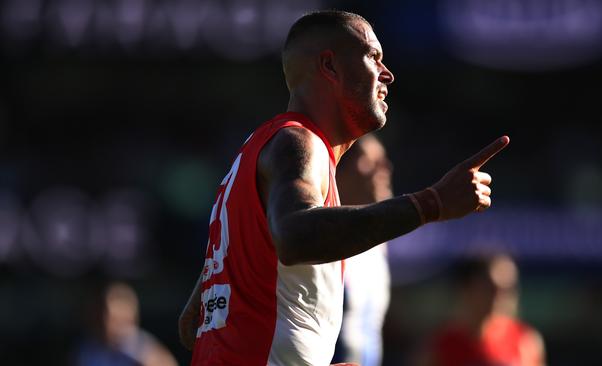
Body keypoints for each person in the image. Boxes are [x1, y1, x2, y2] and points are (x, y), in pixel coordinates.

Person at [178, 10, 510, 366]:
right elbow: (296, 237)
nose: (388, 74)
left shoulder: (257, 153)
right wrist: (432, 203)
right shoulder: (299, 142)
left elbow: (192, 321)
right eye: (373, 57)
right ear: (330, 67)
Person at [416, 255, 546, 366]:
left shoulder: (526, 340)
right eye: (490, 287)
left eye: (508, 289)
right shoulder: (441, 346)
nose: (499, 296)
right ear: (466, 288)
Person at [333, 134, 393, 366]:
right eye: (369, 160)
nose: (384, 168)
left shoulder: (378, 244)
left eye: (384, 160)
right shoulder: (317, 240)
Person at [74, 281, 178, 366]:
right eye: (100, 317)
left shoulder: (144, 351)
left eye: (113, 319)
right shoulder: (86, 350)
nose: (105, 324)